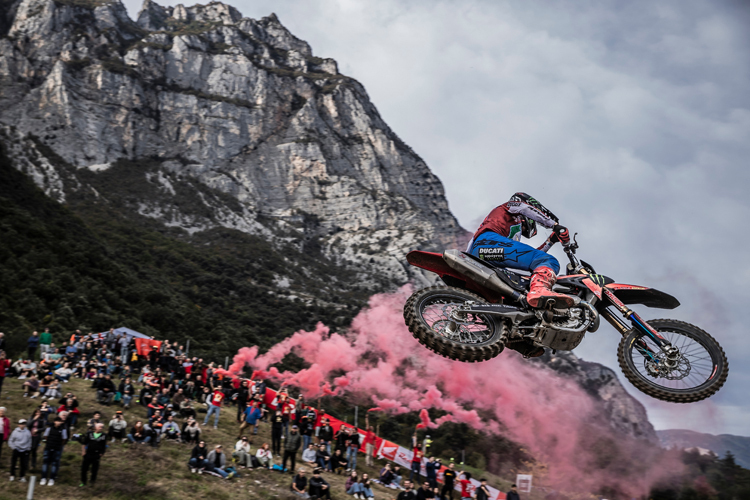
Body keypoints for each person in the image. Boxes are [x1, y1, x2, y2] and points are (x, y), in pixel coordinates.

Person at [469, 192, 574, 310]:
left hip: (482, 253)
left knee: (524, 280)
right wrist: (554, 225)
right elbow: (524, 207)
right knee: (549, 260)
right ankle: (539, 290)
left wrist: (550, 242)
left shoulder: (507, 230)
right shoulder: (511, 206)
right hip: (487, 243)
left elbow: (527, 257)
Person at [40, 417, 67, 486]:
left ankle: (52, 478)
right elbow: (45, 436)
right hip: (48, 448)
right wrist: (48, 443)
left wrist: (59, 445)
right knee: (45, 463)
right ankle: (43, 478)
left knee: (54, 464)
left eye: (60, 421)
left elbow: (64, 439)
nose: (58, 422)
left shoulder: (63, 430)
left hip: (57, 449)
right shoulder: (49, 429)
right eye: (57, 421)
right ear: (54, 421)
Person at [80, 422, 107, 486]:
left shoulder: (104, 435)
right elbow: (84, 443)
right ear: (95, 427)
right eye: (100, 427)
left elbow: (104, 445)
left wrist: (102, 453)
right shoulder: (89, 434)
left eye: (102, 427)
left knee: (94, 470)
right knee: (84, 469)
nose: (101, 428)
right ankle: (83, 482)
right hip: (88, 454)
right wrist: (83, 452)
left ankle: (92, 482)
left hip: (97, 455)